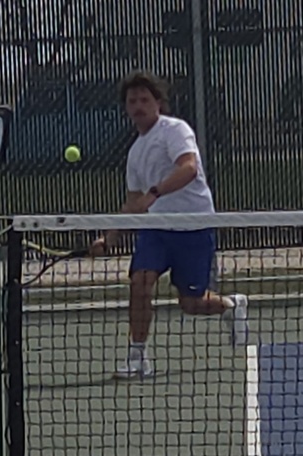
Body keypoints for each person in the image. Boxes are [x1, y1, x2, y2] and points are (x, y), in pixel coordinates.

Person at [90, 70, 248, 379]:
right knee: (139, 281)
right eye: (132, 101)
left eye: (144, 99)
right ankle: (138, 357)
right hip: (157, 231)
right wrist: (108, 238)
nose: (138, 106)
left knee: (191, 303)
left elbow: (188, 168)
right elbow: (133, 203)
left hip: (194, 226)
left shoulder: (175, 131)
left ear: (158, 103)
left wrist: (155, 193)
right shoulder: (135, 153)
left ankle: (231, 305)